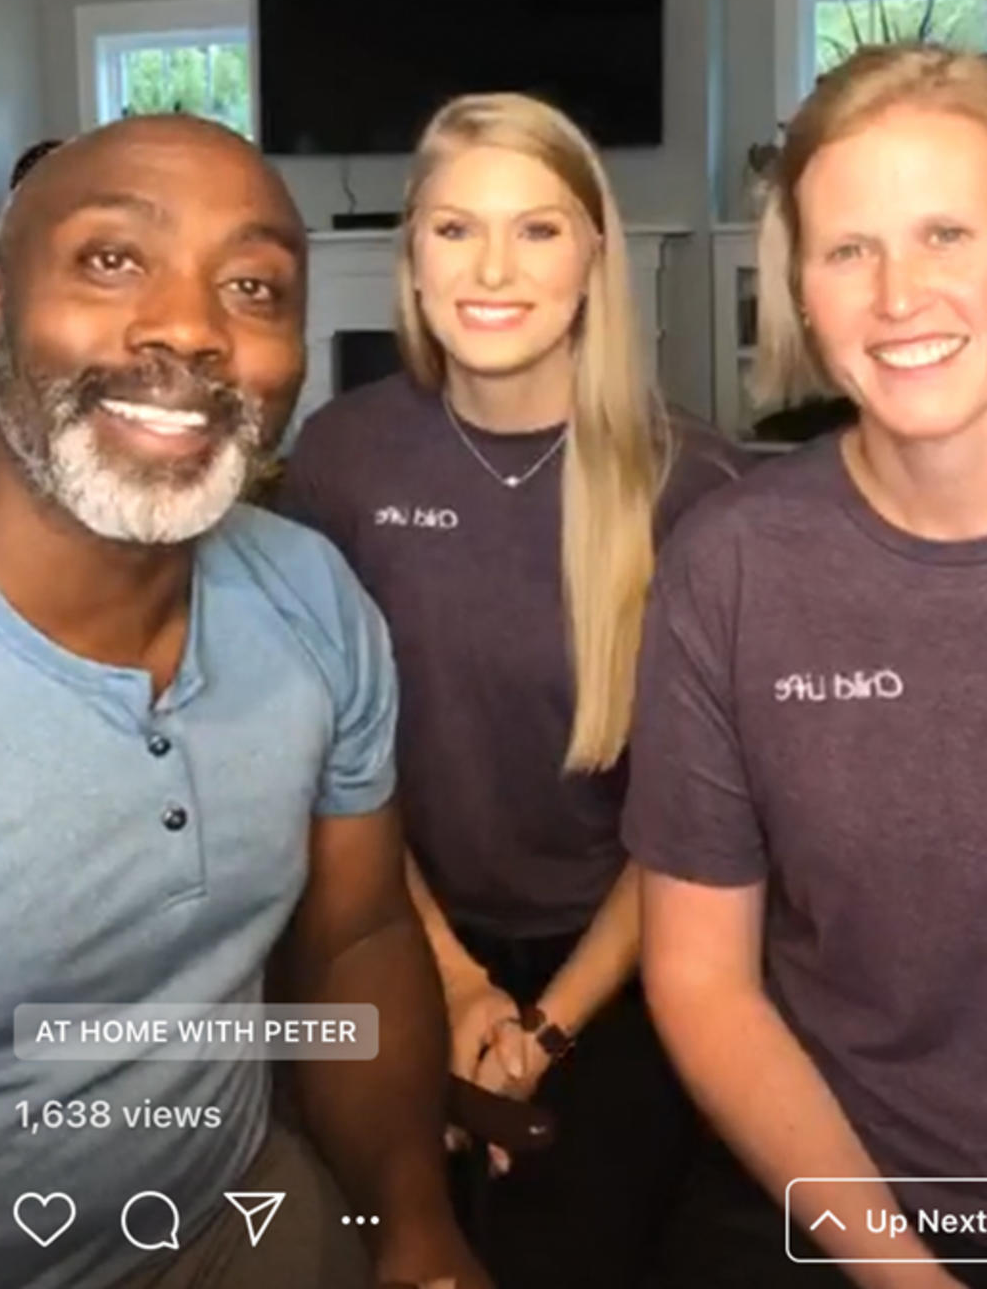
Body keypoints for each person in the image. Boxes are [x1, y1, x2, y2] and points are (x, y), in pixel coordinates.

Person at [0, 115, 487, 1289]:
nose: (191, 327)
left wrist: (413, 1227)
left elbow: (358, 938)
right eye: (113, 260)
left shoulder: (310, 596)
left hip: (239, 1217)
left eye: (253, 287)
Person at [277, 93, 746, 1289]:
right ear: (413, 257)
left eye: (537, 230)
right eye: (455, 229)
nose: (493, 269)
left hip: (627, 955)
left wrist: (544, 1026)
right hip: (387, 925)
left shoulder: (697, 489)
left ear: (594, 258)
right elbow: (330, 757)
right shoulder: (339, 461)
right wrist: (448, 981)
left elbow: (695, 823)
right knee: (359, 1240)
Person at [623, 46, 987, 1288]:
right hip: (838, 1200)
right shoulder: (730, 566)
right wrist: (901, 1273)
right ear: (802, 295)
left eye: (946, 234)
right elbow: (702, 977)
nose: (899, 295)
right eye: (849, 250)